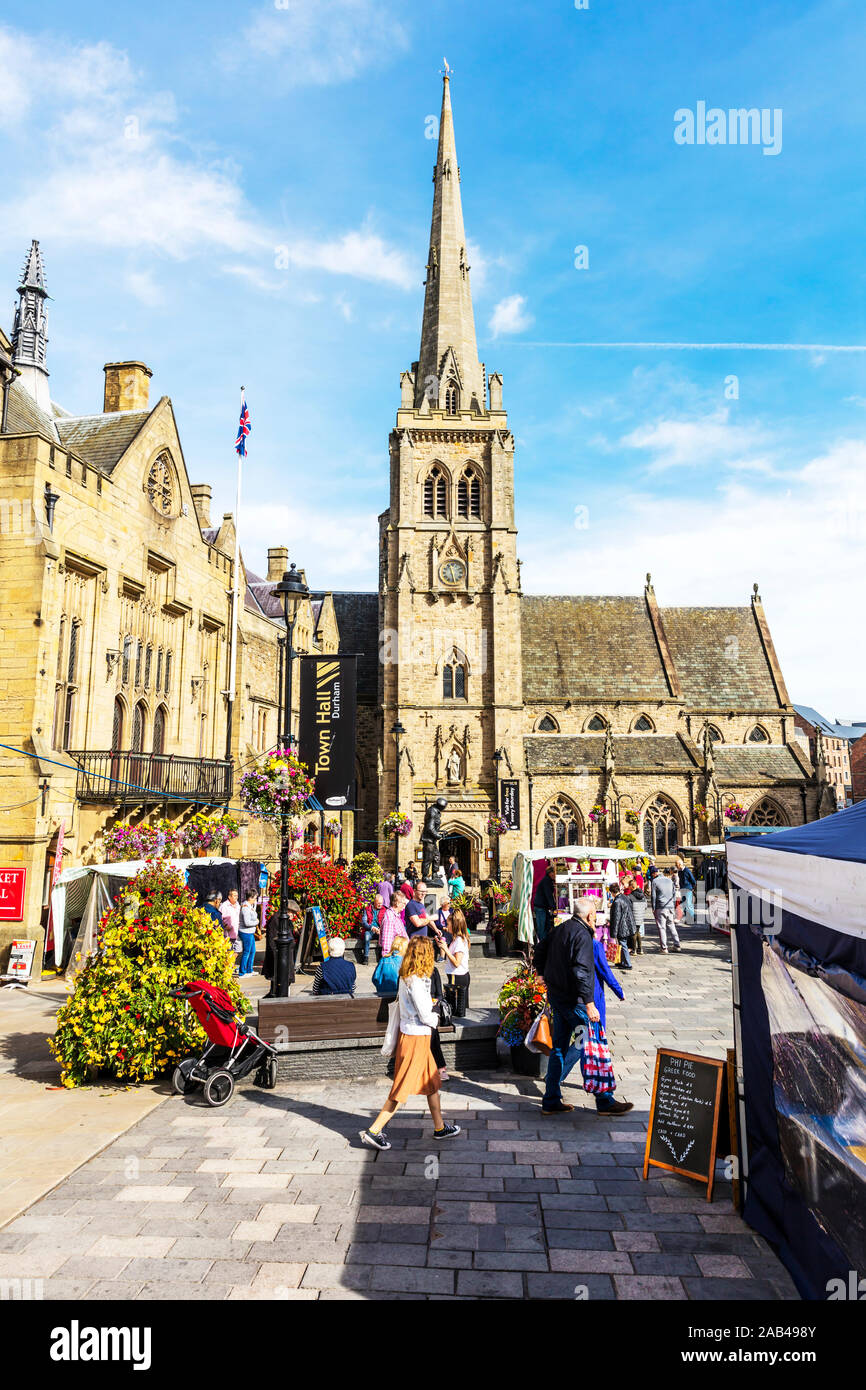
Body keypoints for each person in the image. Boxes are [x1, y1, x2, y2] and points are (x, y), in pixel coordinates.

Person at [359, 937, 461, 1150]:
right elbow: (425, 1014)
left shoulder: (407, 977)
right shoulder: (415, 980)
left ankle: (440, 1127)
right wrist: (436, 1019)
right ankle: (374, 1131)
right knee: (402, 1088)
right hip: (417, 1038)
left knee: (432, 1081)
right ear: (425, 955)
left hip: (413, 1036)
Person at [535, 896, 633, 1116]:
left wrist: (540, 973)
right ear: (590, 915)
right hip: (575, 1003)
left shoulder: (561, 929)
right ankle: (605, 1100)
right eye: (595, 914)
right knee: (592, 1043)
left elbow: (540, 950)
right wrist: (589, 1003)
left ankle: (551, 1099)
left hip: (558, 999)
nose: (596, 919)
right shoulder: (583, 936)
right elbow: (582, 972)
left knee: (560, 1047)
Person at [436, 907, 471, 1015]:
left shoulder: (459, 941)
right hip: (457, 976)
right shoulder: (457, 939)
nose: (446, 926)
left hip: (457, 977)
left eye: (448, 923)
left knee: (457, 1009)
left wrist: (445, 949)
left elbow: (456, 962)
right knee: (460, 1007)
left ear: (454, 925)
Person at [651, 868, 680, 953]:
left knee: (662, 927)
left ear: (654, 874)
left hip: (661, 906)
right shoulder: (669, 881)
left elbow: (653, 896)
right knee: (671, 925)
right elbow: (674, 894)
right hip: (670, 906)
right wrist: (673, 905)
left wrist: (653, 907)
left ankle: (664, 948)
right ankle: (677, 944)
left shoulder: (655, 881)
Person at [609, 883, 635, 971]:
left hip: (622, 925)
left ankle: (627, 963)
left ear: (612, 892)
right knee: (622, 944)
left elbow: (616, 918)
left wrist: (614, 933)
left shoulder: (617, 901)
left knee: (623, 944)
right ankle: (621, 961)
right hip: (628, 923)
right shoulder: (624, 897)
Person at [379, 889, 410, 957]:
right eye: (403, 903)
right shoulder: (390, 918)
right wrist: (387, 959)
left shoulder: (396, 915)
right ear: (397, 903)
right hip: (395, 957)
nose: (405, 906)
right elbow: (387, 942)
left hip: (400, 955)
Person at [532, 864, 557, 942]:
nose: (555, 875)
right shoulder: (546, 881)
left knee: (546, 927)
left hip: (543, 907)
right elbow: (548, 895)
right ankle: (541, 946)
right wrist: (554, 907)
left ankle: (544, 945)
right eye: (554, 873)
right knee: (542, 928)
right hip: (540, 908)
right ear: (550, 873)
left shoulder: (548, 880)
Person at [238, 890, 259, 977]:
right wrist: (256, 922)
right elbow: (247, 923)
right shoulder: (245, 907)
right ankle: (242, 972)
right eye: (255, 898)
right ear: (250, 898)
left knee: (252, 951)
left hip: (250, 932)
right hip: (246, 932)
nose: (255, 900)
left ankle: (249, 970)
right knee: (246, 952)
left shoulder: (250, 905)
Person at [675, 856, 696, 923]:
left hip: (687, 889)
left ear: (680, 864)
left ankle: (691, 918)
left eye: (676, 865)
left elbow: (693, 880)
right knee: (684, 904)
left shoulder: (687, 871)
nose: (676, 866)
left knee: (688, 904)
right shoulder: (680, 871)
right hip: (682, 889)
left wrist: (692, 888)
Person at [629, 885, 646, 954]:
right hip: (640, 916)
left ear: (631, 887)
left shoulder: (630, 896)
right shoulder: (643, 896)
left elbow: (628, 907)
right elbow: (646, 906)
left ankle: (634, 949)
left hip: (633, 916)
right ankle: (640, 949)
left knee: (634, 932)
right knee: (637, 931)